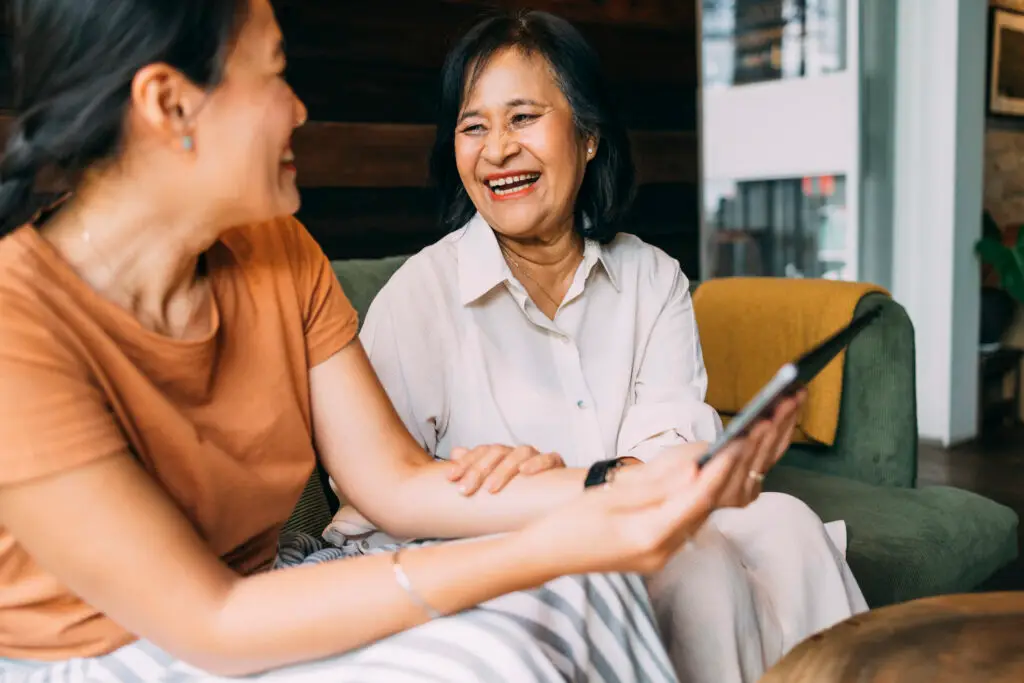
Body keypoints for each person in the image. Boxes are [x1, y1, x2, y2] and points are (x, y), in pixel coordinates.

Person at [0, 1, 804, 681]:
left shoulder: (277, 249)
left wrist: (625, 485)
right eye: (274, 72)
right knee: (504, 646)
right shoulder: (16, 324)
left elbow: (397, 483)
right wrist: (555, 539)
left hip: (257, 594)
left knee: (593, 588)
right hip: (113, 651)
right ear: (170, 104)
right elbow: (211, 619)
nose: (298, 108)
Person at [351, 11, 869, 683]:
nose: (497, 149)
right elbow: (378, 487)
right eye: (473, 126)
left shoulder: (650, 278)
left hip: (643, 511)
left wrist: (639, 471)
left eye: (523, 117)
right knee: (699, 561)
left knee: (790, 525)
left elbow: (669, 444)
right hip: (509, 550)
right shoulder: (420, 295)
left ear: (589, 135)